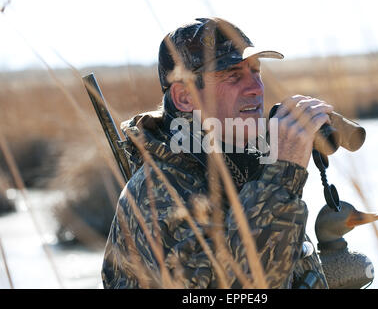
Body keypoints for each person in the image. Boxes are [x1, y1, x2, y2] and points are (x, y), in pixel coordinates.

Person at [102, 17, 335, 289]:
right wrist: (283, 175)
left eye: (256, 71)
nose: (256, 88)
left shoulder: (243, 164)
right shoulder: (158, 194)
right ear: (185, 97)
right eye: (233, 75)